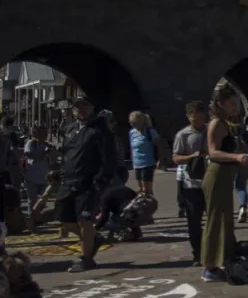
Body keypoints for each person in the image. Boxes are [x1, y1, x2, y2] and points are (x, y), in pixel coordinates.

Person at [56, 96, 117, 273]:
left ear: (92, 108)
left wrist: (102, 179)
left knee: (85, 220)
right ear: (72, 110)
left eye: (85, 106)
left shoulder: (99, 130)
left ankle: (86, 258)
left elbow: (109, 157)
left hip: (88, 182)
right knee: (64, 218)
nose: (81, 110)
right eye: (77, 107)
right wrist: (60, 171)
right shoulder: (70, 129)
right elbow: (65, 152)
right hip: (68, 180)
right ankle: (94, 239)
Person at [201, 86, 248, 282]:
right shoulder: (215, 124)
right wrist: (236, 156)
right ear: (220, 104)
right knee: (214, 221)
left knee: (225, 220)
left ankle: (225, 259)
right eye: (231, 104)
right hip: (217, 174)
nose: (235, 108)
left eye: (236, 104)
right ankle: (209, 267)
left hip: (226, 176)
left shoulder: (227, 123)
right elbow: (212, 152)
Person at [172, 101, 208, 266]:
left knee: (215, 219)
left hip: (210, 181)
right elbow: (176, 158)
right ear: (188, 116)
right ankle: (197, 254)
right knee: (194, 221)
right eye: (193, 115)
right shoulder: (183, 135)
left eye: (199, 114)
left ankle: (216, 250)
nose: (197, 118)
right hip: (191, 183)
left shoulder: (210, 131)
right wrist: (191, 157)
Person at [23, 126, 53, 224]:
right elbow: (28, 154)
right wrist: (42, 154)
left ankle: (39, 218)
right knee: (32, 200)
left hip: (44, 177)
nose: (44, 135)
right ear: (36, 134)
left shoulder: (47, 145)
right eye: (42, 133)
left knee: (42, 200)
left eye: (45, 133)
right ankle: (32, 220)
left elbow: (54, 159)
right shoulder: (31, 143)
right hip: (31, 176)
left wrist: (52, 152)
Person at [128, 111, 159, 196]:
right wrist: (132, 161)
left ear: (141, 122)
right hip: (137, 163)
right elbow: (132, 148)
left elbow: (159, 146)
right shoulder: (132, 133)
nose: (133, 125)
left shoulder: (150, 132)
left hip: (148, 163)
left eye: (135, 123)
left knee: (146, 190)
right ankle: (143, 205)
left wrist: (160, 160)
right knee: (140, 189)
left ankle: (149, 206)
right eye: (131, 123)